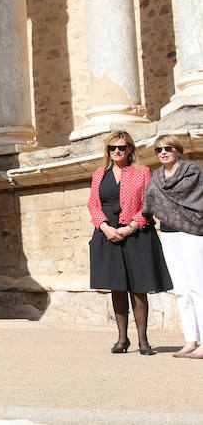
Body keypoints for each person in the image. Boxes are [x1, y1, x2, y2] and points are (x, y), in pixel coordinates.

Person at [87, 131, 172, 355]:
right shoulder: (99, 174)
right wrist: (105, 227)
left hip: (136, 233)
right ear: (107, 151)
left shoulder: (142, 172)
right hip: (107, 233)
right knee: (117, 286)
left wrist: (129, 227)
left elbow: (148, 204)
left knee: (138, 288)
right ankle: (122, 338)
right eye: (112, 148)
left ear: (130, 149)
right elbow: (93, 205)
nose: (117, 151)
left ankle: (143, 340)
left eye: (121, 147)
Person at [142, 135, 203, 359]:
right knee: (181, 288)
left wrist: (164, 207)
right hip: (168, 232)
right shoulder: (156, 177)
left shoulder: (191, 172)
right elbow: (149, 202)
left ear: (178, 150)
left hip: (193, 230)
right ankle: (191, 339)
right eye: (159, 150)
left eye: (168, 148)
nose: (163, 153)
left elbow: (193, 199)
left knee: (198, 286)